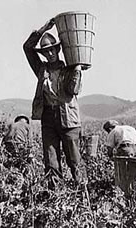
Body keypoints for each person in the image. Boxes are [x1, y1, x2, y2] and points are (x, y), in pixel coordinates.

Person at [23, 18, 86, 189]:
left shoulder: (69, 69)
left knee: (74, 159)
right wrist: (44, 29)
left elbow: (73, 90)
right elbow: (27, 48)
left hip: (69, 119)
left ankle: (83, 195)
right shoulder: (41, 70)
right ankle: (56, 198)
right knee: (51, 161)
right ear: (43, 54)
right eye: (46, 51)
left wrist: (78, 69)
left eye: (52, 50)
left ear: (58, 50)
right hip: (48, 118)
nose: (50, 54)